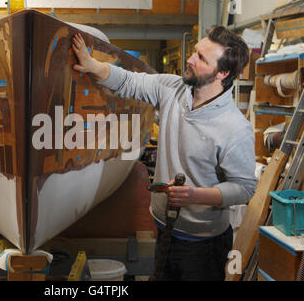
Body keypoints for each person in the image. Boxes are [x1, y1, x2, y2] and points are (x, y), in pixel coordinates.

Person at [71, 26, 258, 281]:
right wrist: (92, 64)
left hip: (203, 246)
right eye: (194, 52)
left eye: (201, 58)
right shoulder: (173, 89)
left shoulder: (236, 128)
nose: (190, 60)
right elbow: (128, 81)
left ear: (222, 73)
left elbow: (245, 187)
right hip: (163, 229)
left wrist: (195, 195)